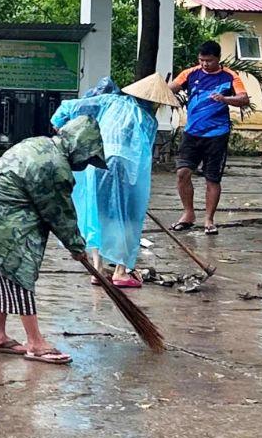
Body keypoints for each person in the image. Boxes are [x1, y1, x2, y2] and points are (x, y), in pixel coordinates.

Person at [0, 116, 107, 365]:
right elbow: (59, 212)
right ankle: (35, 342)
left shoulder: (41, 143)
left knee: (0, 273)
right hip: (1, 216)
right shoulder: (55, 165)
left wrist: (75, 244)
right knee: (19, 272)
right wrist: (76, 246)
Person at [50, 74, 178, 287]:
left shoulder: (109, 101)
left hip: (97, 162)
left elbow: (67, 108)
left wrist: (61, 129)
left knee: (97, 213)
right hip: (125, 169)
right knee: (127, 218)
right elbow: (143, 157)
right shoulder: (148, 119)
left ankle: (98, 269)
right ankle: (120, 271)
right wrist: (138, 191)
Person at [168, 41, 249, 234]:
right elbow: (171, 88)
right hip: (191, 133)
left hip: (217, 135)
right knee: (182, 173)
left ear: (218, 59)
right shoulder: (190, 73)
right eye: (201, 60)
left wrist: (225, 99)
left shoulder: (230, 76)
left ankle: (209, 220)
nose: (205, 64)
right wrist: (162, 88)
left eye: (209, 61)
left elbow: (244, 99)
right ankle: (188, 214)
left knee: (212, 178)